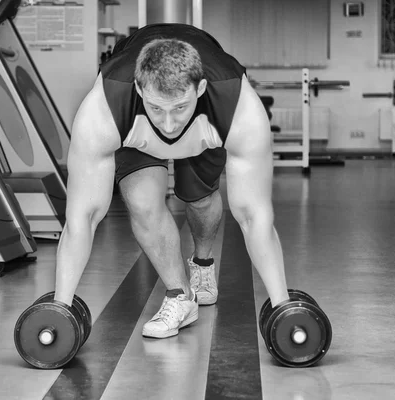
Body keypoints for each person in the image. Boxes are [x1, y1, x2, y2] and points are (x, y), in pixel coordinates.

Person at [53, 23, 289, 339]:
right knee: (142, 202)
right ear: (139, 90)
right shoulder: (104, 110)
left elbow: (253, 215)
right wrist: (60, 306)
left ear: (201, 89)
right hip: (136, 129)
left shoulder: (237, 105)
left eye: (179, 108)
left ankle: (203, 264)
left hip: (204, 125)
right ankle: (180, 296)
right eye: (156, 108)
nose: (167, 124)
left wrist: (283, 305)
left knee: (199, 197)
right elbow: (82, 217)